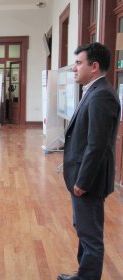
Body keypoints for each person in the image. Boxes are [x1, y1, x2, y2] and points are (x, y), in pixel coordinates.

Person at [58, 42, 120, 280]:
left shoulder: (101, 95)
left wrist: (82, 181)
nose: (74, 68)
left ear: (94, 67)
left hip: (89, 181)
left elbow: (97, 145)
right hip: (85, 176)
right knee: (84, 230)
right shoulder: (95, 91)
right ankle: (83, 273)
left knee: (91, 236)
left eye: (78, 63)